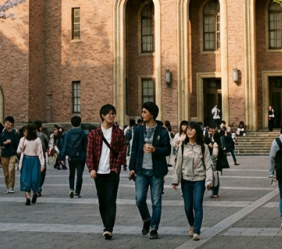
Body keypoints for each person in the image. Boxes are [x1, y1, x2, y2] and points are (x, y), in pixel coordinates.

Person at [129, 101, 172, 239]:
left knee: (156, 201)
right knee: (139, 200)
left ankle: (154, 227)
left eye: (144, 112)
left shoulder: (162, 131)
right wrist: (131, 168)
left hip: (156, 172)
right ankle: (147, 219)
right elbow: (134, 150)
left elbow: (167, 150)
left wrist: (155, 149)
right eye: (142, 112)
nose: (142, 114)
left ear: (152, 114)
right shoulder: (137, 130)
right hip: (141, 171)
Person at [87, 104, 126, 240]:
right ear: (103, 116)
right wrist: (91, 168)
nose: (111, 116)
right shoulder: (94, 134)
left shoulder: (118, 132)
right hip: (99, 172)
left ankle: (108, 228)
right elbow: (89, 153)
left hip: (112, 171)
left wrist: (116, 167)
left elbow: (122, 151)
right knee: (102, 200)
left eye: (113, 113)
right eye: (109, 114)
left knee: (111, 199)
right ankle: (106, 224)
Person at [172, 121, 213, 241]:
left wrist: (209, 180)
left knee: (197, 205)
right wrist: (175, 180)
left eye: (192, 129)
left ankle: (196, 231)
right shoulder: (182, 147)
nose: (189, 131)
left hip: (199, 179)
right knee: (187, 206)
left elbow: (208, 165)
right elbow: (178, 164)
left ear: (197, 131)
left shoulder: (203, 147)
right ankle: (192, 224)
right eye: (188, 129)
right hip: (186, 179)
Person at [16, 124, 45, 204]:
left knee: (35, 178)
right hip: (25, 159)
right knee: (26, 179)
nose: (25, 132)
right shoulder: (23, 139)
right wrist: (22, 144)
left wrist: (42, 164)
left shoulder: (37, 140)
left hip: (35, 160)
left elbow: (40, 152)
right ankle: (28, 197)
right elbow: (18, 151)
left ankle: (36, 192)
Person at [63, 115, 88, 198]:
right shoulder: (83, 133)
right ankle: (77, 191)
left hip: (71, 156)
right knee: (79, 175)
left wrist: (62, 157)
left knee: (71, 173)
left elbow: (65, 145)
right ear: (80, 123)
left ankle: (71, 189)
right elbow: (86, 145)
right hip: (81, 156)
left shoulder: (68, 133)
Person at [0, 116, 20, 193]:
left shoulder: (15, 132)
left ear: (12, 124)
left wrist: (18, 154)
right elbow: (0, 142)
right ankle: (7, 186)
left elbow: (17, 143)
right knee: (6, 173)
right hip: (4, 154)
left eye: (9, 123)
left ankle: (11, 187)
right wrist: (5, 143)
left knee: (11, 170)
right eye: (6, 123)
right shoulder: (3, 133)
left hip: (13, 154)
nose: (7, 125)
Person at [210, 128, 229, 198]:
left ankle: (215, 192)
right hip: (211, 161)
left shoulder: (217, 141)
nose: (211, 132)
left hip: (215, 162)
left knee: (215, 176)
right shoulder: (209, 138)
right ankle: (213, 191)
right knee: (212, 177)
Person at [34, 120, 49, 195]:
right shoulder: (42, 135)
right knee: (42, 173)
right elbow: (46, 145)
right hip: (41, 156)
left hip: (32, 156)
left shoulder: (29, 135)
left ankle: (36, 187)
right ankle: (39, 187)